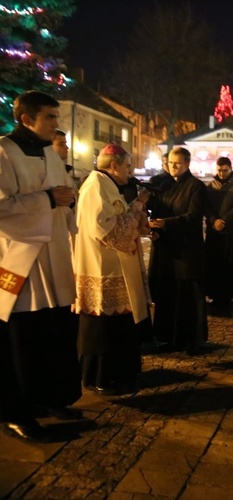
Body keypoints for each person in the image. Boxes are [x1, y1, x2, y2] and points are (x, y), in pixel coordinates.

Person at [0, 90, 81, 442]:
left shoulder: (49, 151)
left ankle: (50, 398)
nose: (56, 124)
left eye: (56, 117)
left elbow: (64, 192)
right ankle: (15, 413)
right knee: (22, 339)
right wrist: (47, 199)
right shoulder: (3, 151)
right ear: (26, 119)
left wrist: (69, 198)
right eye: (50, 117)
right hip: (21, 257)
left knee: (53, 332)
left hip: (53, 254)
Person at [74, 145, 151, 395]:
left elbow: (121, 220)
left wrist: (136, 210)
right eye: (128, 165)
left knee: (118, 325)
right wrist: (138, 205)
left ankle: (120, 374)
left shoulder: (108, 185)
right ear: (114, 165)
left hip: (116, 267)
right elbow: (109, 231)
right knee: (104, 327)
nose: (131, 170)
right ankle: (101, 378)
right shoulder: (95, 186)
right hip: (102, 269)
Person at [147, 146, 209, 353]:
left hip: (186, 251)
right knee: (167, 294)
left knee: (188, 297)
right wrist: (154, 228)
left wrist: (166, 223)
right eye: (170, 163)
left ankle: (191, 338)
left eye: (178, 163)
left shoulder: (196, 186)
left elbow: (193, 217)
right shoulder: (163, 185)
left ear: (187, 164)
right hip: (165, 249)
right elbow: (154, 211)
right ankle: (167, 337)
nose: (173, 167)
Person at [204, 157, 233, 308]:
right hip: (213, 232)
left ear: (230, 169)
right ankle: (214, 294)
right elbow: (206, 207)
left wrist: (223, 221)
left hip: (230, 232)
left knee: (228, 266)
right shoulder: (210, 186)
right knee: (213, 265)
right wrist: (213, 220)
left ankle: (227, 295)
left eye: (225, 171)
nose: (221, 174)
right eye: (219, 170)